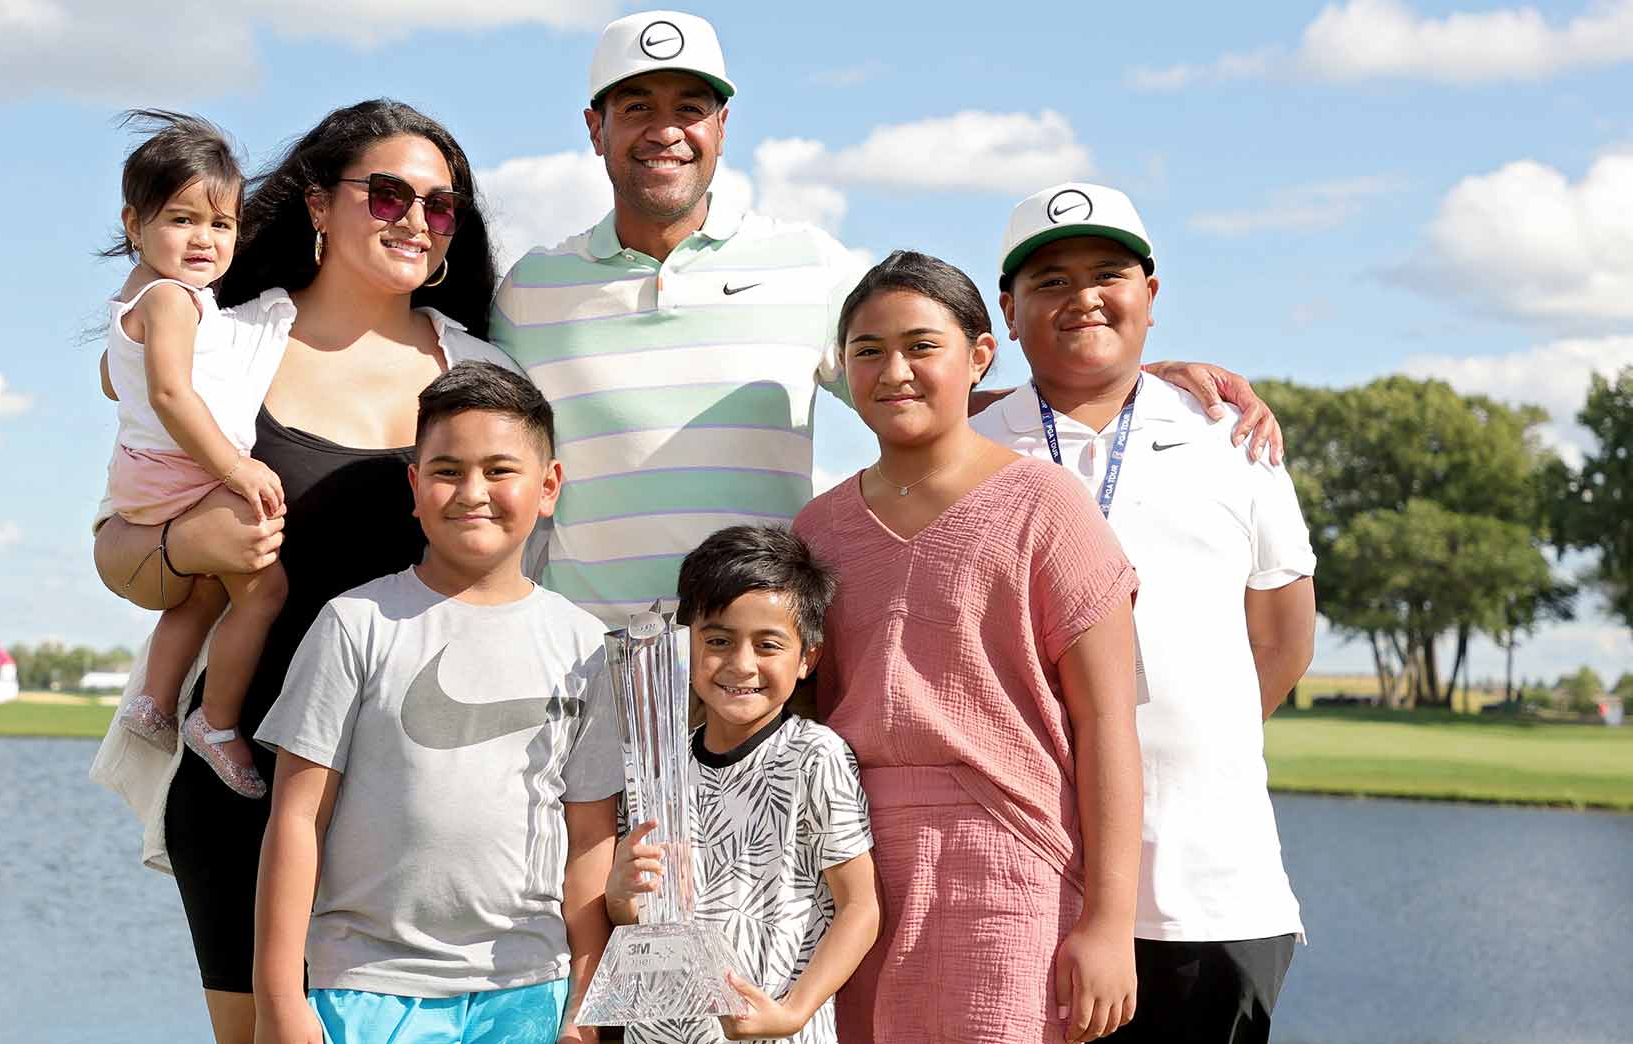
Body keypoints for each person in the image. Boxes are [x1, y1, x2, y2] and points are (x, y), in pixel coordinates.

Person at [490, 9, 1279, 630]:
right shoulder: (530, 292)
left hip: (759, 671)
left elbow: (924, 395)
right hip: (587, 663)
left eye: (689, 107)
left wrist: (1123, 384)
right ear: (596, 128)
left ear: (721, 130)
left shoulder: (809, 265)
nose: (666, 129)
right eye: (637, 106)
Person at [87, 100, 524, 1044]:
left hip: (430, 793)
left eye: (440, 206)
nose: (415, 219)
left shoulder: (488, 373)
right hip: (243, 773)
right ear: (320, 205)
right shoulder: (222, 341)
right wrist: (190, 548)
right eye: (389, 194)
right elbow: (117, 548)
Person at [972, 182, 1316, 1044]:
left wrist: (1161, 741)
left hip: (1211, 888)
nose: (1082, 296)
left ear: (1151, 299)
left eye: (1108, 274)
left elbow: (1280, 643)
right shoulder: (966, 446)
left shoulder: (1233, 438)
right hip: (1023, 880)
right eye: (1048, 281)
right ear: (1008, 314)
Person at [794, 251, 1144, 1044]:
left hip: (1007, 866)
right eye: (868, 350)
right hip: (851, 872)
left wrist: (1110, 922)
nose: (895, 372)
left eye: (923, 346)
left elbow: (1107, 724)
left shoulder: (1047, 506)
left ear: (981, 355)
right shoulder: (818, 529)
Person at [253, 362, 620, 1044]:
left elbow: (589, 842)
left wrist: (587, 1006)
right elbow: (296, 819)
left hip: (528, 989)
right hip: (365, 986)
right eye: (448, 470)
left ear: (548, 488)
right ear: (416, 489)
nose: (473, 492)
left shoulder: (584, 644)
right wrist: (278, 1001)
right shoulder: (354, 623)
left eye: (499, 470)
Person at [604, 524, 879, 1044]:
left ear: (807, 658)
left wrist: (794, 1012)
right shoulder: (653, 768)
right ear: (685, 646)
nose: (741, 664)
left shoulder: (814, 757)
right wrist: (619, 896)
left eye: (768, 644)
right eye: (719, 641)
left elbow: (861, 907)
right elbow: (634, 917)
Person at [97, 110, 287, 798]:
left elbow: (109, 375)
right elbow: (173, 395)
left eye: (222, 224)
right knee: (264, 590)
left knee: (206, 588)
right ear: (133, 225)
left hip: (143, 477)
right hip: (181, 474)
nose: (204, 239)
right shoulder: (174, 299)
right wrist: (234, 467)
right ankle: (216, 719)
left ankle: (152, 701)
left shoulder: (132, 298)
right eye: (182, 220)